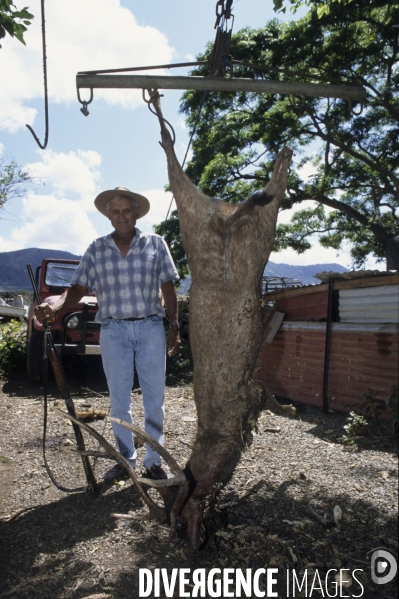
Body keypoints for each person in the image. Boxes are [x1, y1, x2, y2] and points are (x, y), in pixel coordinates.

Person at [35, 186, 181, 482]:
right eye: (116, 212)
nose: (121, 216)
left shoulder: (156, 243)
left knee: (155, 399)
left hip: (150, 327)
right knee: (119, 400)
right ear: (108, 216)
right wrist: (55, 307)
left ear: (136, 213)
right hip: (113, 330)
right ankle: (125, 459)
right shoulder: (96, 248)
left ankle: (154, 461)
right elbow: (78, 288)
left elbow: (168, 287)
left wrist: (174, 326)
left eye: (127, 210)